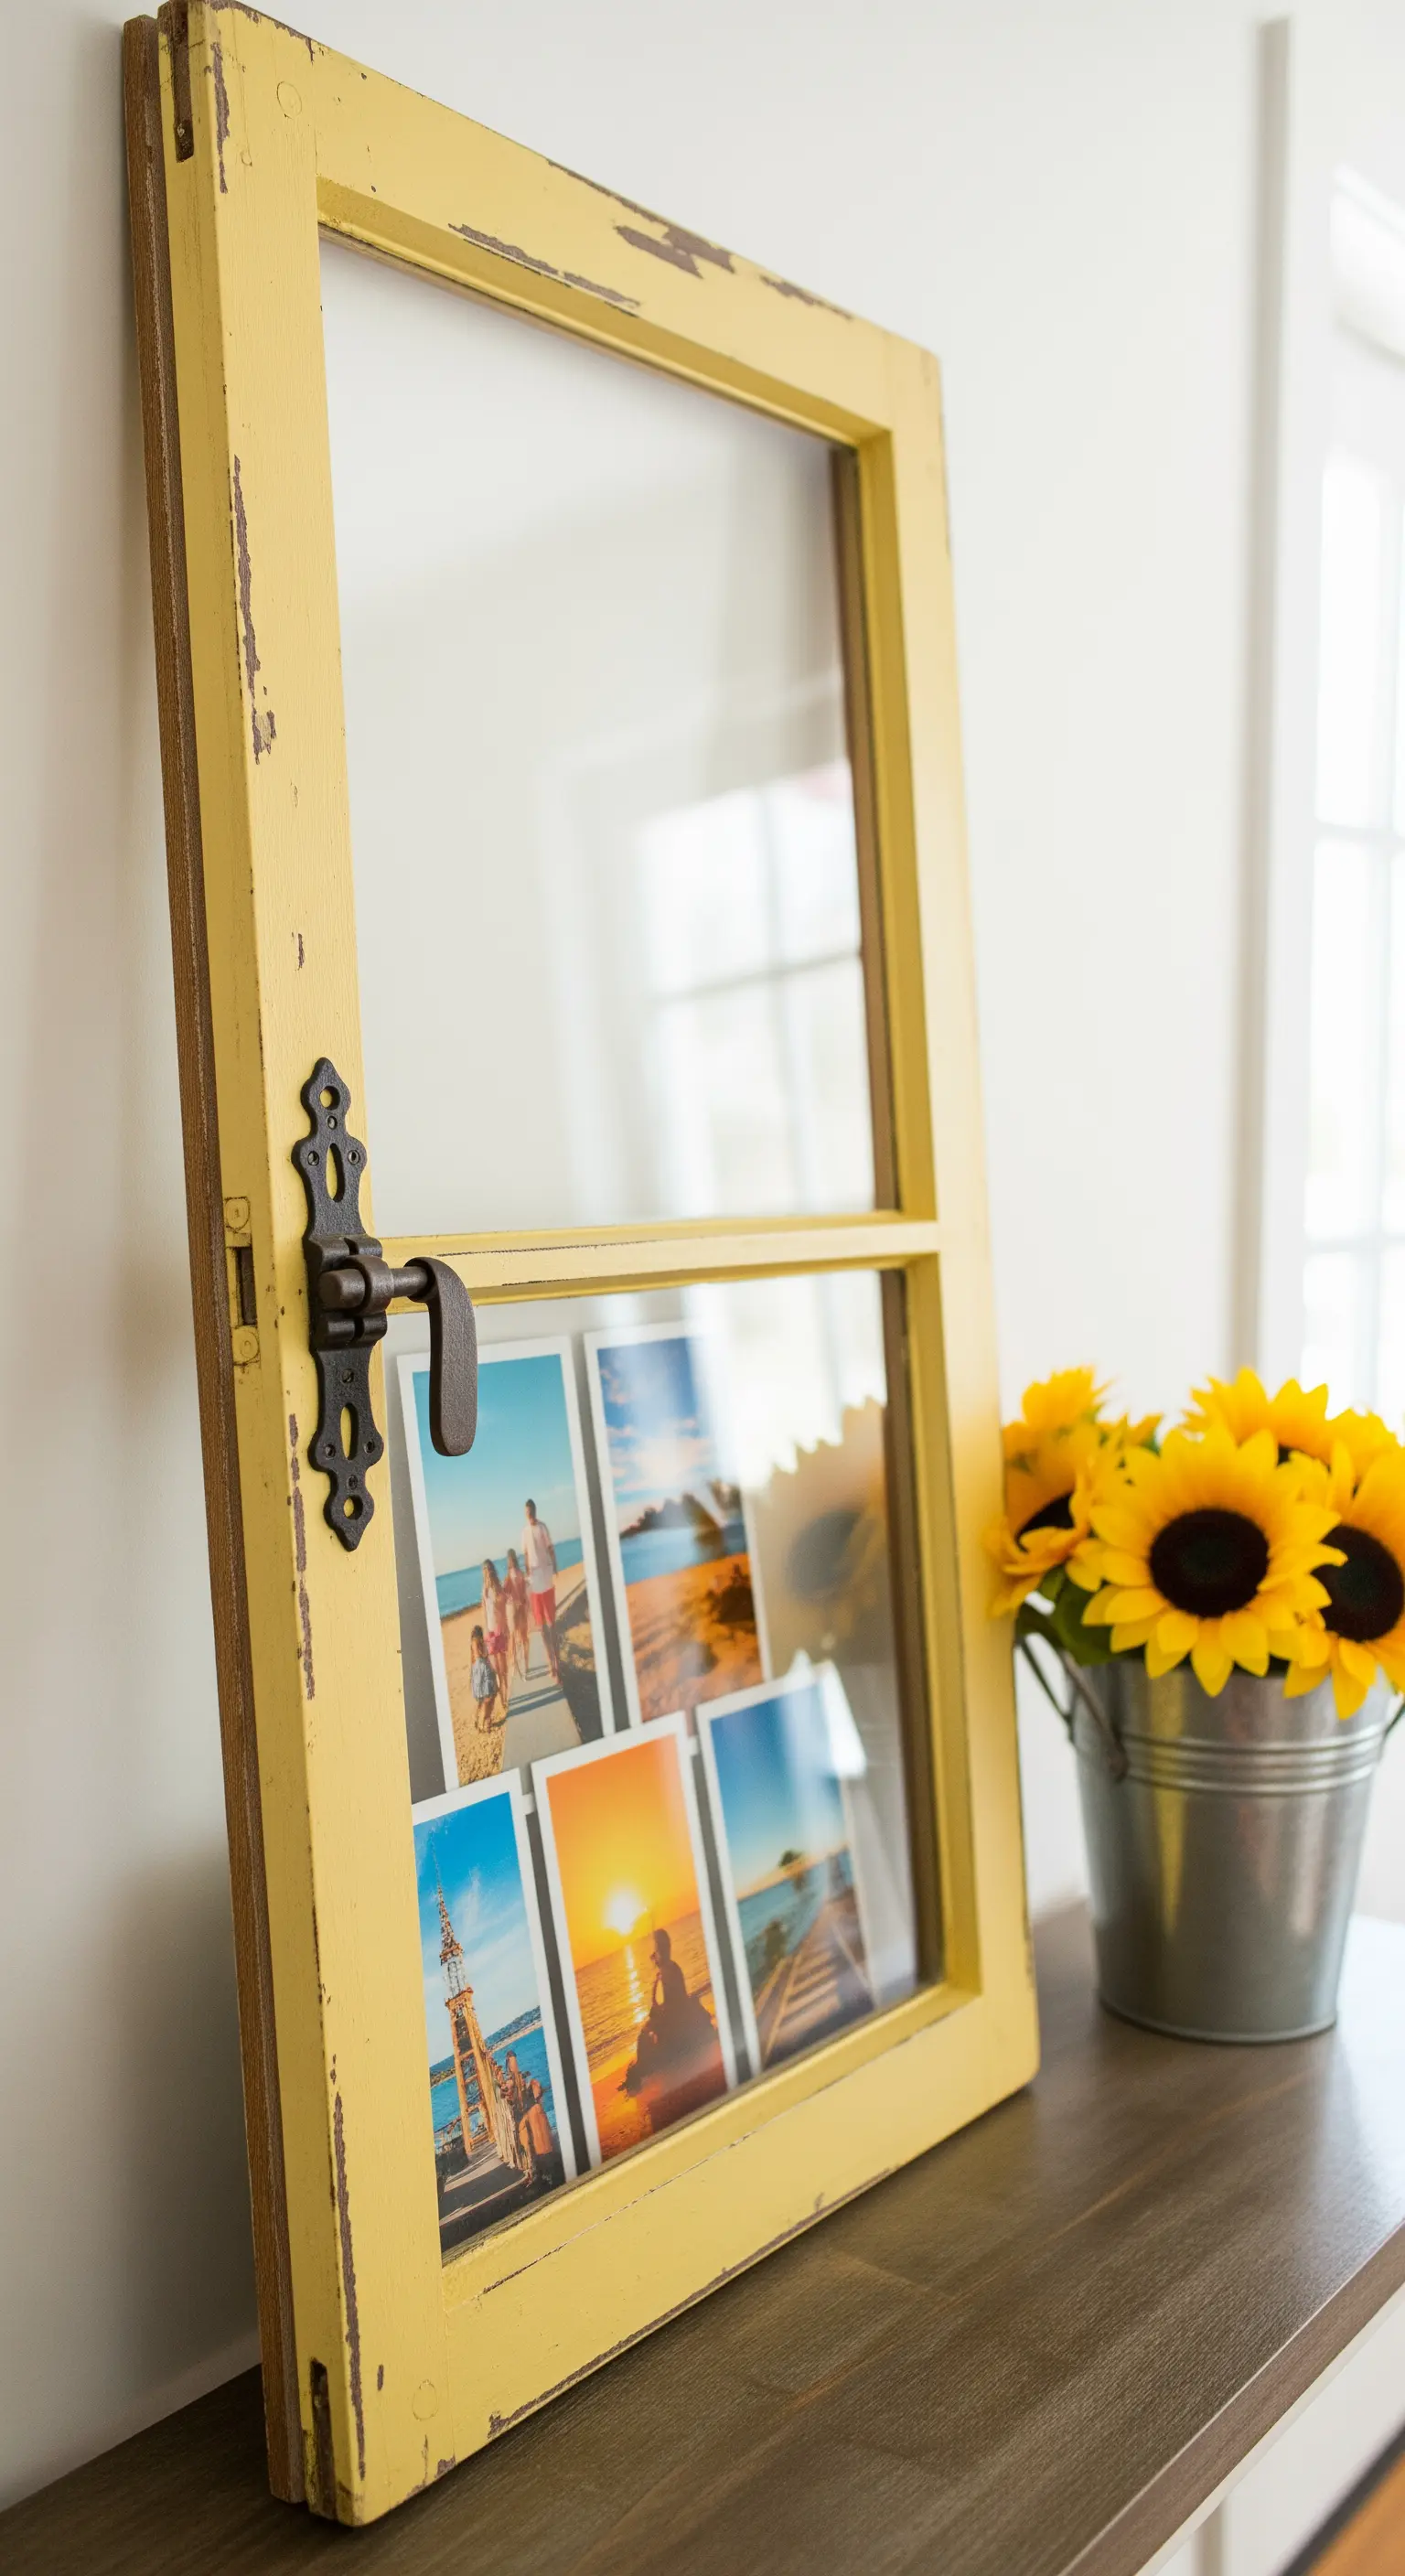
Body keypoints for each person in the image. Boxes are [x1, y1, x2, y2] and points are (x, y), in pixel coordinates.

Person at [520, 1498, 560, 1685]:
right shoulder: (524, 1532)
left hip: (546, 1579)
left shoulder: (542, 1527)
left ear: (535, 1511)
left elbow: (551, 1549)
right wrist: (526, 1576)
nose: (530, 1516)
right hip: (535, 1583)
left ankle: (557, 1665)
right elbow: (526, 1556)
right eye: (527, 1513)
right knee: (541, 1627)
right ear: (525, 1514)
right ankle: (549, 1661)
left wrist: (556, 1566)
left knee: (552, 1625)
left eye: (531, 1512)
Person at [518, 2079, 562, 2190]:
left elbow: (521, 2129)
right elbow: (549, 2129)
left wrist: (526, 2146)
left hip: (539, 2152)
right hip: (548, 2150)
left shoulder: (528, 2115)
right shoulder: (539, 2109)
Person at [480, 1559, 510, 1703]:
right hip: (491, 1633)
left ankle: (505, 1695)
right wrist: (486, 1631)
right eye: (484, 1570)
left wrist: (506, 1628)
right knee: (497, 1669)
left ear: (492, 1570)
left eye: (488, 1569)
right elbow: (485, 1612)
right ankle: (502, 1696)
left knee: (503, 1668)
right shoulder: (484, 1591)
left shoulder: (498, 1588)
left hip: (500, 1630)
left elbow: (503, 1609)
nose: (487, 1572)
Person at [503, 1546, 531, 1680]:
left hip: (515, 1609)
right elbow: (510, 1592)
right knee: (520, 1638)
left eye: (511, 1558)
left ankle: (520, 1667)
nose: (511, 1561)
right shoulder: (518, 1574)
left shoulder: (511, 1575)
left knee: (517, 1638)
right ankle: (522, 1667)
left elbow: (506, 1593)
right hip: (517, 1608)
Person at [468, 1624, 500, 1733]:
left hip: (476, 1669)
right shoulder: (478, 1642)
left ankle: (478, 1719)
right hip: (483, 1667)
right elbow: (484, 1654)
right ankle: (486, 1721)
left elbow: (473, 1658)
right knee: (489, 1695)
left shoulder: (472, 1643)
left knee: (482, 1698)